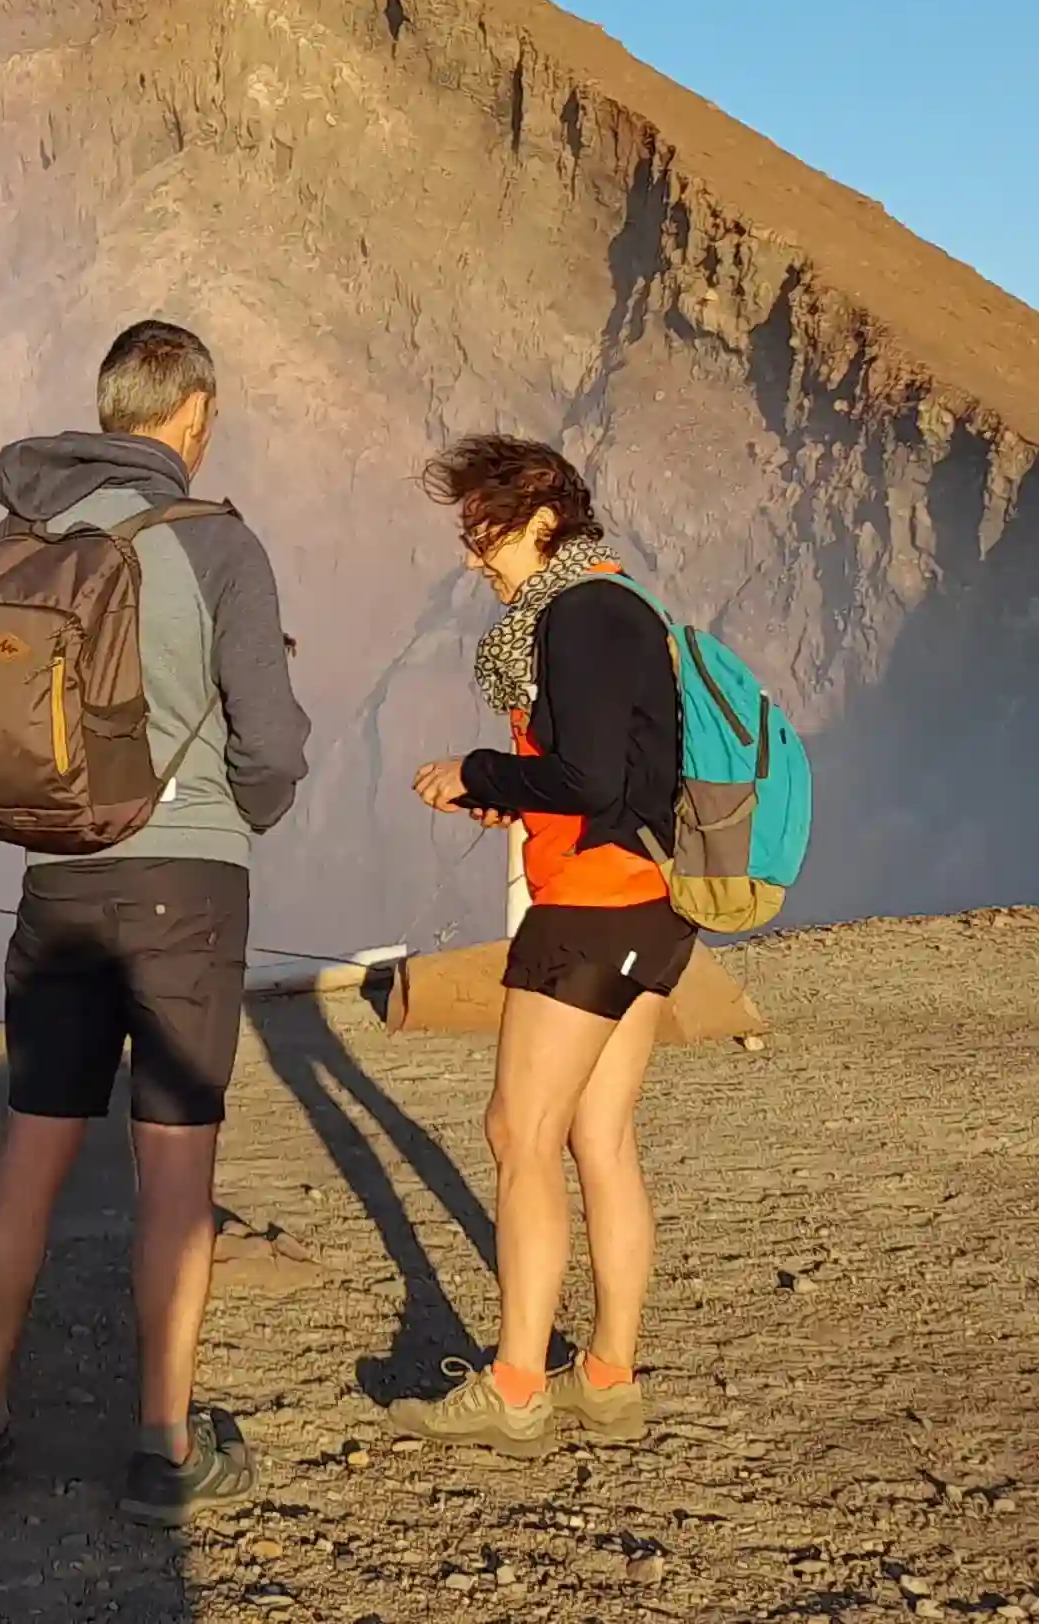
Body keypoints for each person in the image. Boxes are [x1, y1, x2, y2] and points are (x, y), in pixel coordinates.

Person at [0, 320, 311, 1526]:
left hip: (55, 880)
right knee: (174, 1165)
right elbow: (270, 735)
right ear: (193, 413)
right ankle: (161, 1444)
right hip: (186, 881)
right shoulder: (214, 545)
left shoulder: (20, 537)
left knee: (32, 1148)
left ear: (105, 409)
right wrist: (240, 812)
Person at [390, 434, 683, 1454]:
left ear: (543, 518)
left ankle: (515, 1385)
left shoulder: (581, 615)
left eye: (487, 530)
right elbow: (598, 778)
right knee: (598, 1137)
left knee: (520, 1134)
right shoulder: (615, 605)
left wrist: (477, 771)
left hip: (592, 908)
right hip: (649, 901)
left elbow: (590, 779)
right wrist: (512, 799)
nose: (476, 556)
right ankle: (606, 1377)